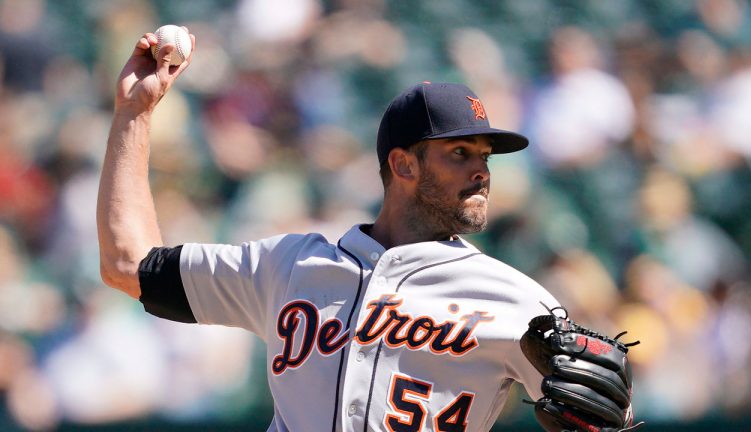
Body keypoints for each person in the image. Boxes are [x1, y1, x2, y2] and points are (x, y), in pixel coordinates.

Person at [97, 30, 624, 432]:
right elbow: (128, 265)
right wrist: (134, 114)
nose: (481, 171)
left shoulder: (518, 301)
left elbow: (599, 411)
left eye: (484, 157)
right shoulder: (289, 266)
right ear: (404, 165)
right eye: (460, 153)